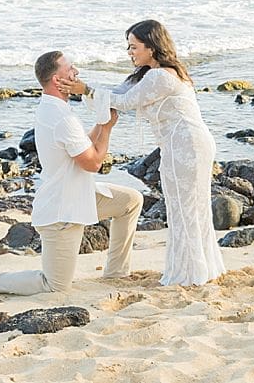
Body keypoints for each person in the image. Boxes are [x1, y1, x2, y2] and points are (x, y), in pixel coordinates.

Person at [0, 50, 143, 296]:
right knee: (54, 286)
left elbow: (83, 147)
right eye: (71, 69)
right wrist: (107, 129)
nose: (76, 72)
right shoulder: (60, 117)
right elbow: (92, 163)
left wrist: (101, 123)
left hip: (80, 196)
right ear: (57, 79)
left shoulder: (54, 108)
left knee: (130, 201)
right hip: (62, 210)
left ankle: (116, 272)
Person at [60, 20, 225, 287]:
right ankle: (198, 269)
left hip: (187, 145)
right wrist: (83, 86)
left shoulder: (161, 76)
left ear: (152, 47)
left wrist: (86, 90)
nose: (129, 52)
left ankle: (191, 274)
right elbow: (116, 92)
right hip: (180, 144)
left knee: (185, 208)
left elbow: (125, 102)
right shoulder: (148, 74)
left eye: (134, 47)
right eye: (128, 47)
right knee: (185, 207)